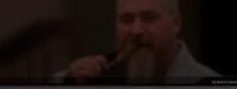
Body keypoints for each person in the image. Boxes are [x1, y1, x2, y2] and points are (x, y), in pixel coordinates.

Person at [63, 0, 218, 84]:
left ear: (176, 23)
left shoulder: (210, 86)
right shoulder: (99, 75)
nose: (136, 30)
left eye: (149, 18)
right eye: (127, 19)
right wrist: (70, 81)